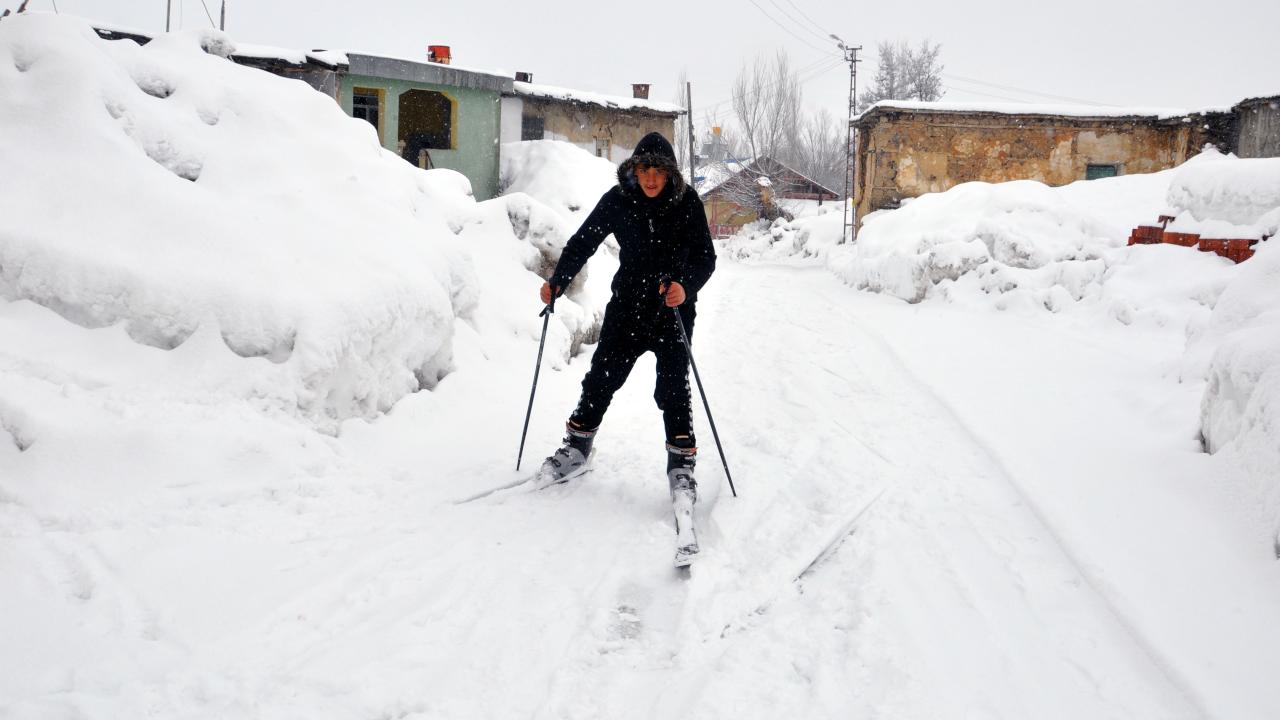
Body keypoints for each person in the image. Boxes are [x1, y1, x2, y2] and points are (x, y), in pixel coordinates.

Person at [536, 132, 716, 510]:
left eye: (658, 171)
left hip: (673, 311)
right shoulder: (618, 201)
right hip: (628, 308)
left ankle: (681, 465)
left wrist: (685, 286)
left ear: (670, 173)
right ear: (634, 169)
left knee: (672, 388)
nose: (650, 178)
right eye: (644, 169)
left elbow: (705, 257)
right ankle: (577, 448)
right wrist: (558, 282)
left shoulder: (687, 204)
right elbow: (583, 241)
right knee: (601, 376)